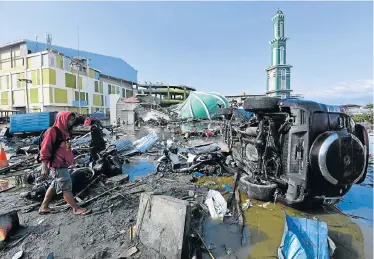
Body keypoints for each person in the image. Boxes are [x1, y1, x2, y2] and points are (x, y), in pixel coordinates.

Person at [38, 111, 91, 215]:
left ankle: (43, 207)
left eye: (72, 120)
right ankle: (75, 208)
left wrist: (72, 160)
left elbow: (66, 149)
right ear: (62, 119)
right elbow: (45, 150)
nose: (70, 122)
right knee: (66, 186)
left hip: (63, 164)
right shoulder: (52, 131)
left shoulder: (65, 132)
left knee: (54, 185)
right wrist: (44, 167)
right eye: (68, 120)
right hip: (57, 165)